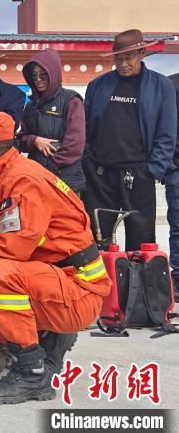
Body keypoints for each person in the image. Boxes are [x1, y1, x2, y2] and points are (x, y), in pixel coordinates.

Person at [0, 111, 111, 404]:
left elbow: (13, 249)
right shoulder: (7, 177)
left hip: (77, 291)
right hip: (50, 281)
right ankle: (46, 340)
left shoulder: (22, 181)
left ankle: (32, 372)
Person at [83, 29, 177, 251]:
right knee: (98, 239)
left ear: (142, 53)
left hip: (139, 175)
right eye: (118, 58)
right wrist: (87, 159)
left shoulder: (162, 86)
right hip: (100, 175)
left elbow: (167, 134)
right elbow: (85, 127)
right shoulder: (98, 85)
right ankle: (102, 285)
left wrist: (153, 169)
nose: (123, 64)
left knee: (141, 241)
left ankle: (140, 286)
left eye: (128, 58)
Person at [17, 48, 86, 195]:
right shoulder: (30, 105)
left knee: (67, 218)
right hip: (37, 178)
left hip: (65, 180)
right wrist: (35, 140)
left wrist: (52, 167)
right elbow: (20, 140)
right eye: (34, 76)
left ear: (53, 74)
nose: (38, 80)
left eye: (43, 75)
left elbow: (75, 145)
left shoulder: (71, 100)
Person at [164, 72, 179, 300]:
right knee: (178, 225)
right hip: (177, 166)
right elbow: (164, 126)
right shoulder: (171, 84)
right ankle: (177, 278)